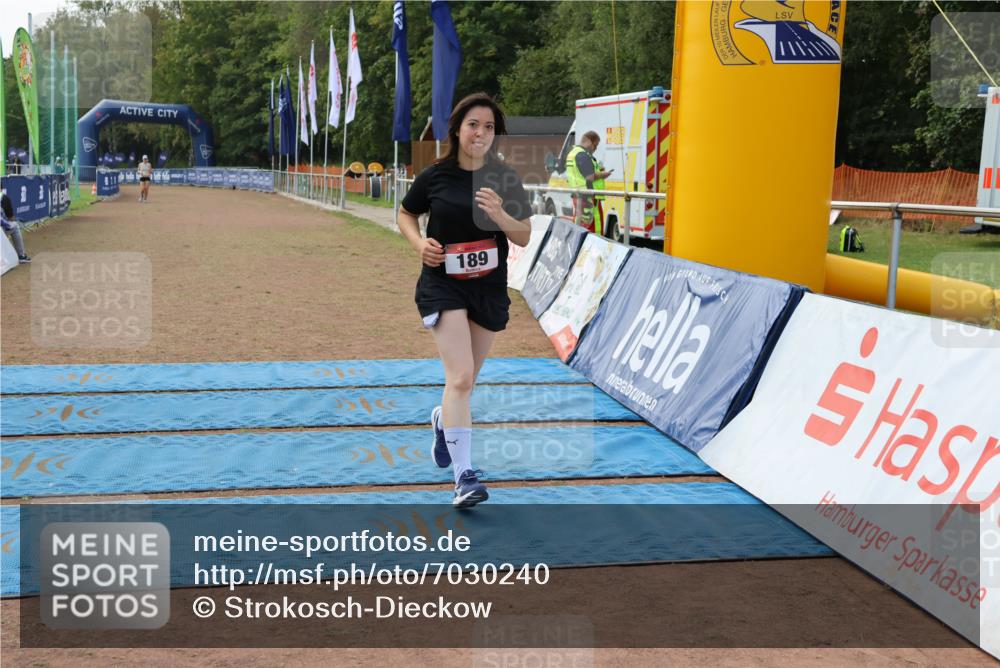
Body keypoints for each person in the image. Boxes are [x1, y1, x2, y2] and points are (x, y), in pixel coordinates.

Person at [397, 92, 532, 508]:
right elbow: (405, 213)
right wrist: (419, 243)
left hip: (488, 288)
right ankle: (464, 477)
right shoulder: (435, 175)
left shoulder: (505, 178)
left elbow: (524, 235)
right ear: (457, 129)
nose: (481, 133)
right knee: (458, 378)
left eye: (489, 127)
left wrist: (500, 217)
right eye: (474, 124)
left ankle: (442, 420)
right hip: (444, 284)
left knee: (466, 382)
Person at [566, 130, 613, 236]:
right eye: (595, 145)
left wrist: (597, 169)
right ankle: (596, 249)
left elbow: (580, 173)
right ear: (590, 143)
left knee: (579, 226)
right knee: (592, 227)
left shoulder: (572, 153)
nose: (595, 149)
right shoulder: (583, 155)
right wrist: (603, 174)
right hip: (588, 198)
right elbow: (590, 176)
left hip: (579, 195)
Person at [1, 188, 31, 264]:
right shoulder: (4, 198)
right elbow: (10, 217)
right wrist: (16, 220)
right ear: (1, 188)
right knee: (15, 226)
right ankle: (21, 256)